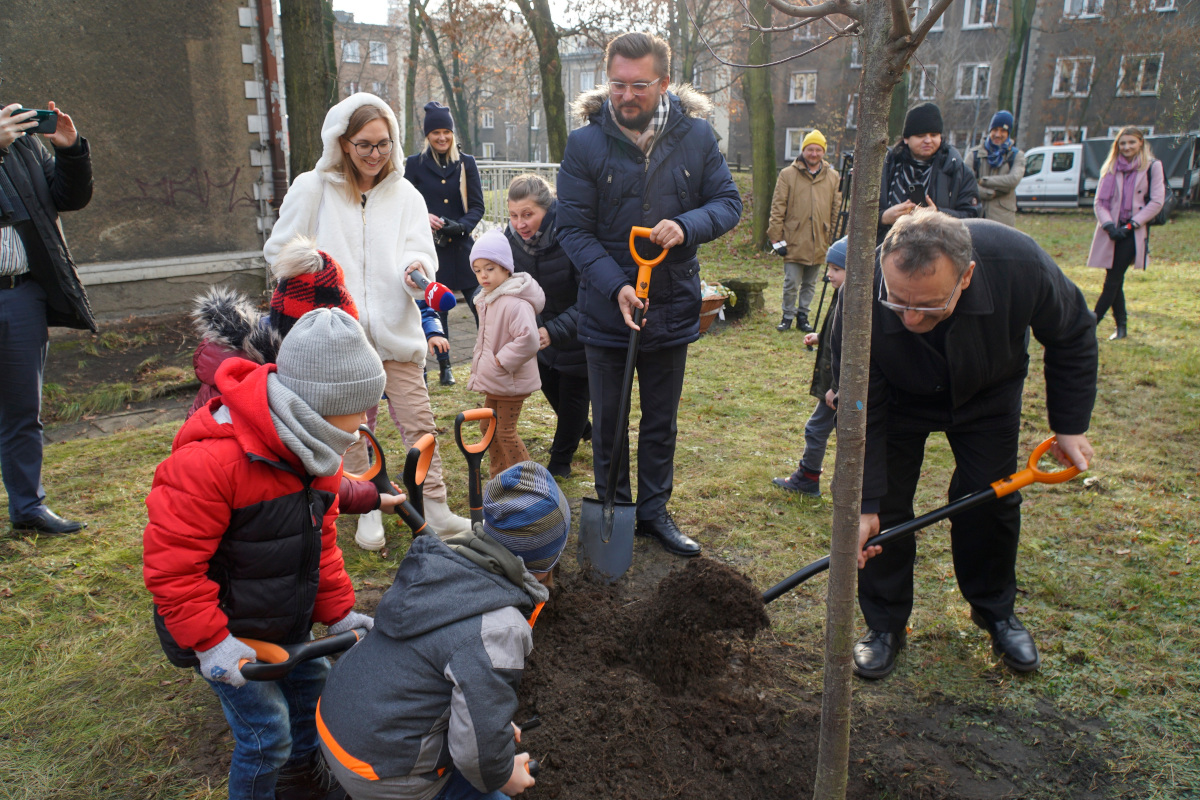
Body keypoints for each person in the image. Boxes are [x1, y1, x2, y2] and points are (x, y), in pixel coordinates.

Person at [144, 308, 405, 800]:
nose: (363, 423)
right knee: (267, 734)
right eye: (360, 409)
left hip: (286, 618)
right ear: (321, 405)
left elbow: (320, 536)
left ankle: (299, 780)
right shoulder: (211, 464)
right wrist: (212, 643)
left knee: (313, 698)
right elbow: (172, 569)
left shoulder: (314, 449)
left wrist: (340, 612)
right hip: (227, 634)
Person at [832, 209, 1097, 680]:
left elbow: (1073, 329)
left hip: (986, 392)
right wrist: (865, 500)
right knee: (884, 511)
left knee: (988, 499)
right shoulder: (861, 292)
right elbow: (858, 400)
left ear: (967, 276)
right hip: (893, 398)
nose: (911, 317)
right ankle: (885, 624)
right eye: (899, 303)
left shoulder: (1018, 263)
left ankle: (995, 610)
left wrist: (1070, 425)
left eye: (929, 305)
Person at [556, 32, 743, 557]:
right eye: (617, 84)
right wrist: (615, 285)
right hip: (605, 306)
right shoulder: (585, 144)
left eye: (640, 85)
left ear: (663, 83)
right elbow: (572, 229)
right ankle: (614, 509)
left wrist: (686, 225)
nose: (627, 95)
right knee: (610, 422)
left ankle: (655, 512)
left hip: (671, 302)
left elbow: (728, 202)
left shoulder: (697, 138)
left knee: (660, 421)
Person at [264, 92, 472, 545]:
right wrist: (315, 265)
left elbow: (419, 252)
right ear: (342, 142)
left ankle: (433, 505)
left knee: (418, 420)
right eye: (364, 145)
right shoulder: (311, 188)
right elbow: (279, 251)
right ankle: (367, 507)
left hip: (397, 331)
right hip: (340, 337)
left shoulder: (406, 196)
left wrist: (418, 272)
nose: (375, 155)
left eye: (383, 144)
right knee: (354, 427)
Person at [316, 460, 569, 800]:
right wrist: (504, 774)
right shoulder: (500, 627)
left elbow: (432, 664)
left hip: (338, 722)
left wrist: (486, 722)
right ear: (546, 561)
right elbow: (475, 759)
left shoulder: (438, 561)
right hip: (381, 770)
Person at [0, 99, 92, 535]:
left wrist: (70, 150)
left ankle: (28, 507)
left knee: (22, 410)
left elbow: (66, 198)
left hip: (19, 295)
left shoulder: (22, 141)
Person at [504, 173, 591, 479]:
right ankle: (581, 427)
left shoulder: (572, 234)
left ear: (549, 208)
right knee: (547, 382)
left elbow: (590, 298)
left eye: (528, 214)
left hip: (580, 326)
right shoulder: (511, 239)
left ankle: (562, 459)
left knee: (574, 390)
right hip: (539, 328)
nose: (520, 223)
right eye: (514, 215)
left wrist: (555, 330)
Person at [405, 101, 486, 386]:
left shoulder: (466, 163)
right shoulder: (414, 165)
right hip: (430, 248)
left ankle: (486, 361)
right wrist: (422, 215)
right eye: (436, 132)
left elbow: (477, 206)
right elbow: (404, 204)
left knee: (481, 304)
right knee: (438, 309)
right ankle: (445, 366)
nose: (442, 137)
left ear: (452, 134)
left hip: (462, 247)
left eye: (446, 132)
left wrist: (461, 226)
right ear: (427, 135)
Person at [466, 229, 546, 478]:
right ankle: (500, 475)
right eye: (478, 270)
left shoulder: (515, 302)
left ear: (505, 267)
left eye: (489, 268)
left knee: (504, 431)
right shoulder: (488, 299)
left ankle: (529, 481)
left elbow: (529, 339)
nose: (483, 275)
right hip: (496, 379)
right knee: (487, 426)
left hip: (511, 380)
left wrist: (501, 360)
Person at [771, 237, 846, 496]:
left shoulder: (855, 303)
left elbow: (851, 350)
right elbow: (837, 337)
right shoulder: (843, 295)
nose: (829, 275)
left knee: (822, 430)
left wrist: (836, 388)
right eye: (829, 269)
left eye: (836, 270)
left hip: (840, 390)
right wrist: (820, 337)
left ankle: (811, 478)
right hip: (841, 389)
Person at [1086, 126, 1165, 342]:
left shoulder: (1153, 166)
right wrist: (1109, 226)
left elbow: (1157, 201)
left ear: (1140, 142)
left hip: (1133, 231)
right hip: (1111, 231)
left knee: (1112, 279)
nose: (1127, 147)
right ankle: (1121, 326)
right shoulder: (1111, 168)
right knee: (1115, 280)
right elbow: (1100, 202)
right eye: (1123, 143)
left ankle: (1089, 324)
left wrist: (1131, 225)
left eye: (1131, 142)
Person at [767, 129, 841, 333]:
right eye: (810, 149)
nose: (814, 154)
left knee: (810, 283)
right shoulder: (788, 174)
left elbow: (836, 208)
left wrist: (834, 239)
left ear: (823, 151)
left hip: (820, 240)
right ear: (804, 150)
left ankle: (803, 316)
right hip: (793, 239)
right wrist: (776, 238)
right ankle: (787, 315)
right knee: (791, 281)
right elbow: (778, 206)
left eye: (818, 150)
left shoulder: (833, 177)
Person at [876, 102, 979, 244]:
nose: (928, 140)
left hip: (939, 251)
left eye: (934, 135)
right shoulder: (885, 168)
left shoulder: (957, 170)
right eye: (920, 135)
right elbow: (857, 213)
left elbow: (973, 218)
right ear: (906, 138)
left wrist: (938, 215)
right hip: (887, 250)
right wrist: (883, 217)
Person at [964, 111, 1025, 228]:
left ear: (1008, 133)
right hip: (976, 217)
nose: (998, 134)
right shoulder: (974, 155)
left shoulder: (1016, 156)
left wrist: (982, 181)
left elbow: (1012, 180)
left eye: (1003, 131)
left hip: (1002, 219)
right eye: (995, 130)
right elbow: (967, 184)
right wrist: (989, 193)